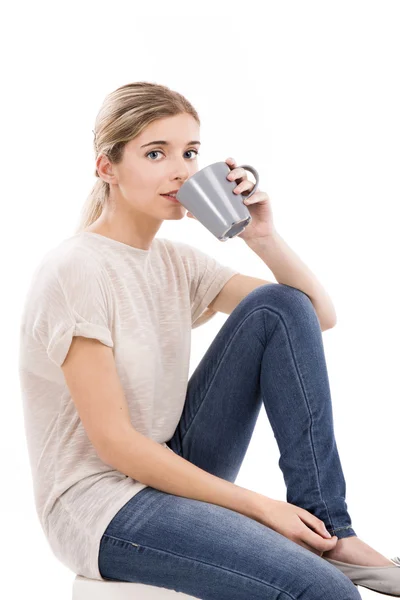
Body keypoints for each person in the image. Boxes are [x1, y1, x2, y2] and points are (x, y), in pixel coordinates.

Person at [18, 81, 398, 599]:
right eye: (156, 153)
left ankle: (335, 531)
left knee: (279, 306)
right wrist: (262, 506)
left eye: (190, 152)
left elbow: (312, 316)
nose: (181, 169)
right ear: (107, 167)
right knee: (324, 592)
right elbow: (116, 445)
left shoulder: (178, 262)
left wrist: (261, 237)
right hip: (100, 506)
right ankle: (327, 553)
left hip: (171, 462)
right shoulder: (76, 268)